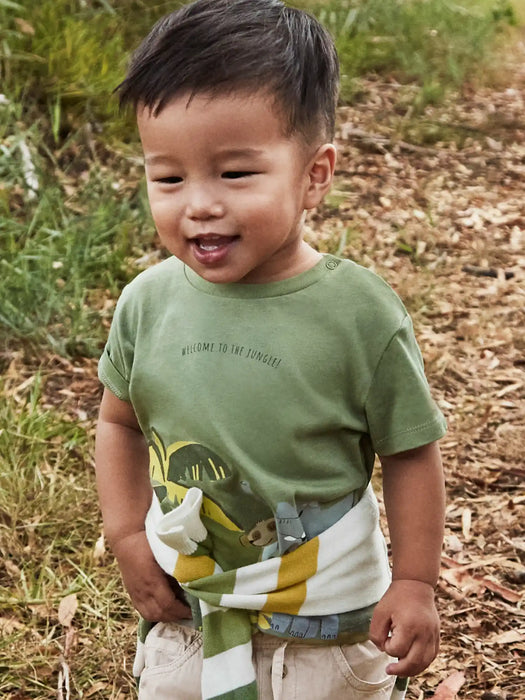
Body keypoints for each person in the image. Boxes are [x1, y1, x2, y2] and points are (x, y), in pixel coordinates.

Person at [95, 0, 447, 698]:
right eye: (167, 178)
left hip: (328, 633)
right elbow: (119, 421)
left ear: (314, 175)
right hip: (191, 615)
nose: (197, 204)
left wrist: (413, 582)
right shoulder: (148, 304)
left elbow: (409, 451)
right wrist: (127, 537)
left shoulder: (355, 316)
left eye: (234, 174)